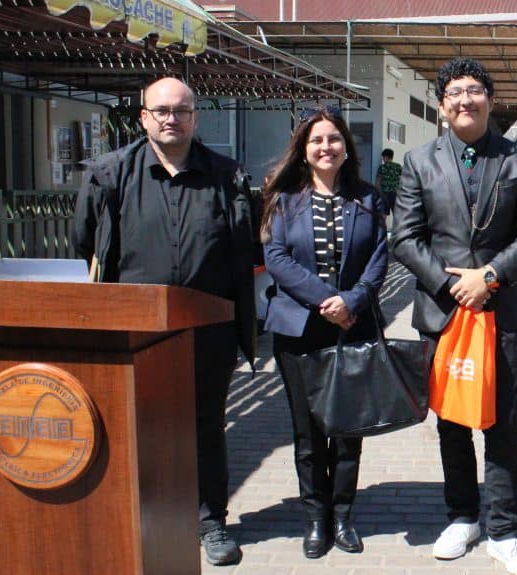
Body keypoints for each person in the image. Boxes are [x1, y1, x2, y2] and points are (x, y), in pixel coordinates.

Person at [72, 76, 256, 566]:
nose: (171, 118)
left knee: (205, 428)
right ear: (143, 118)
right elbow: (84, 243)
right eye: (161, 110)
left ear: (196, 117)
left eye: (181, 109)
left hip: (207, 331)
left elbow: (244, 251)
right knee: (134, 427)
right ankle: (136, 516)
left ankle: (210, 521)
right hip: (134, 333)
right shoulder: (110, 175)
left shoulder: (228, 177)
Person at [391, 57, 517, 575]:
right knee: (452, 421)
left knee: (503, 423)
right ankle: (462, 515)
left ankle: (504, 530)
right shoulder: (419, 162)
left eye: (475, 90)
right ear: (442, 105)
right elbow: (405, 238)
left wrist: (491, 277)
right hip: (443, 314)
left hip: (501, 314)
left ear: (489, 98)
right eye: (455, 92)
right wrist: (453, 284)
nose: (465, 99)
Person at [260, 105, 388, 559]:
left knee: (348, 430)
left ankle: (344, 515)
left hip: (353, 327)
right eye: (317, 140)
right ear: (304, 148)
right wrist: (324, 300)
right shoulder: (283, 198)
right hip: (299, 331)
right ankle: (317, 519)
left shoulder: (368, 198)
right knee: (309, 432)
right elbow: (276, 258)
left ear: (346, 147)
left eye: (334, 139)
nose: (326, 147)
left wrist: (351, 301)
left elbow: (379, 257)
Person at [375, 148, 401, 215]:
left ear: (386, 157)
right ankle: (397, 226)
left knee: (383, 214)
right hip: (395, 193)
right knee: (397, 214)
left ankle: (383, 226)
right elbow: (403, 179)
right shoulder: (398, 167)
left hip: (384, 194)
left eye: (383, 157)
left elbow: (378, 182)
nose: (382, 159)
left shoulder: (382, 167)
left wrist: (377, 193)